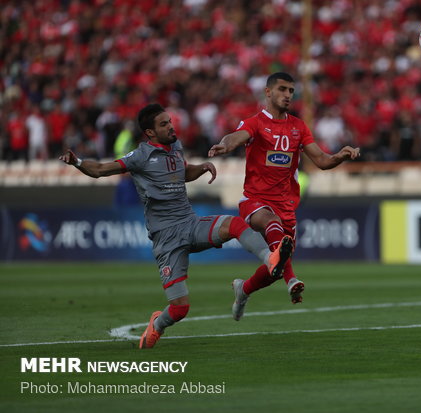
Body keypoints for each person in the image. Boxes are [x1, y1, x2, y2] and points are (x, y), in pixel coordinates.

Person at [59, 103, 293, 349]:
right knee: (180, 309)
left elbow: (181, 173)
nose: (171, 126)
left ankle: (271, 259)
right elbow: (100, 170)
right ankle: (157, 325)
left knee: (233, 223)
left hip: (189, 223)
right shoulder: (140, 156)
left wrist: (200, 168)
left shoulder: (175, 148)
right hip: (166, 238)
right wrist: (78, 161)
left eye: (169, 121)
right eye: (163, 124)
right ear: (150, 133)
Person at [208, 72, 360, 321]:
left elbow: (321, 160)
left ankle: (243, 289)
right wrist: (226, 144)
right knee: (271, 225)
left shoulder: (298, 127)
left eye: (291, 91)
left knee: (274, 268)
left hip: (286, 206)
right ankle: (292, 279)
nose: (288, 95)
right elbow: (236, 136)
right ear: (268, 92)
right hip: (255, 202)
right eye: (282, 89)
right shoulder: (255, 123)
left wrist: (340, 156)